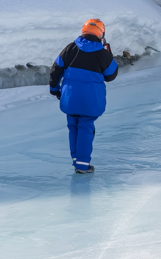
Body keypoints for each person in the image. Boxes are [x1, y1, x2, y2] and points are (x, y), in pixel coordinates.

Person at [49, 18, 118, 174]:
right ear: (101, 34)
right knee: (86, 128)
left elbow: (56, 69)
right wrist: (109, 54)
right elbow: (111, 75)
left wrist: (54, 89)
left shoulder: (70, 48)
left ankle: (76, 161)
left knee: (73, 127)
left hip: (70, 98)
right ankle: (82, 165)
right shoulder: (102, 53)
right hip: (91, 101)